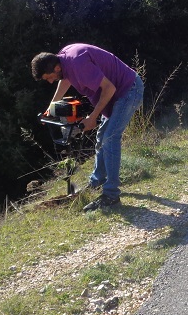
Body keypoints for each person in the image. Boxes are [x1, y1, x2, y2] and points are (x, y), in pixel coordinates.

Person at [31, 44, 144, 211]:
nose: (50, 81)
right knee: (102, 137)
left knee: (110, 138)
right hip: (117, 93)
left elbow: (109, 88)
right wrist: (52, 107)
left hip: (128, 90)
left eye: (49, 77)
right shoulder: (64, 59)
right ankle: (96, 182)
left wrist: (92, 118)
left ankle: (111, 195)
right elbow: (65, 79)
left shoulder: (77, 63)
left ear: (56, 67)